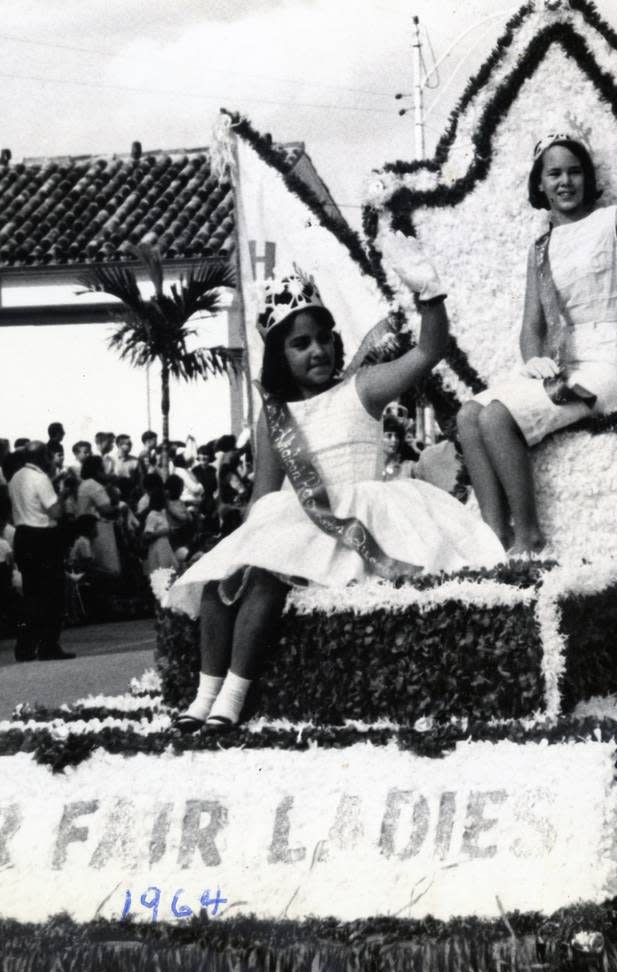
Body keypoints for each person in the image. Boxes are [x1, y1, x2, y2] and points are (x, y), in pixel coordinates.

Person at [165, 248, 505, 731]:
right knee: (223, 582)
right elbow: (264, 495)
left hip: (362, 517)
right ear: (280, 354)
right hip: (299, 518)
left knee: (265, 582)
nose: (317, 351)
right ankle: (203, 698)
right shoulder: (275, 416)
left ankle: (232, 700)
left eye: (323, 339)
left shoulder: (362, 388)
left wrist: (429, 298)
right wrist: (243, 546)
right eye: (300, 344)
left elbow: (428, 352)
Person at [456, 110, 617, 555]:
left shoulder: (612, 221)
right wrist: (533, 359)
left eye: (573, 172)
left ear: (587, 178)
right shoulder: (540, 249)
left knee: (495, 416)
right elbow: (533, 327)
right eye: (554, 174)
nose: (565, 182)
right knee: (469, 417)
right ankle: (494, 535)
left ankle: (528, 537)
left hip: (609, 360)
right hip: (564, 360)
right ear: (540, 184)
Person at [9, 441, 74, 661]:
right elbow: (55, 512)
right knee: (53, 593)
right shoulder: (41, 478)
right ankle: (49, 645)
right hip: (43, 537)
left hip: (23, 535)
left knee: (32, 594)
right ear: (42, 457)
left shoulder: (16, 477)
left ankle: (25, 647)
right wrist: (63, 494)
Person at [75, 455, 123, 579]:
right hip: (98, 527)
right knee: (108, 567)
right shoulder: (94, 486)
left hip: (87, 527)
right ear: (97, 470)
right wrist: (120, 508)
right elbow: (107, 510)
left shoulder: (85, 484)